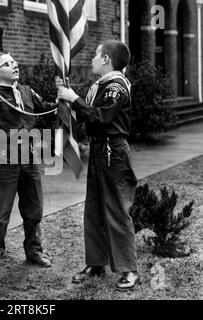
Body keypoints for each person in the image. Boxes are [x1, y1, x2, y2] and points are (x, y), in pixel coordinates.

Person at [57, 40, 140, 290]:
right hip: (99, 149)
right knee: (93, 208)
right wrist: (72, 100)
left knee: (116, 209)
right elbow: (91, 118)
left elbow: (101, 117)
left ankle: (128, 269)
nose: (92, 59)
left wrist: (74, 99)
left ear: (106, 59)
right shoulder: (101, 85)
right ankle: (96, 262)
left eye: (95, 55)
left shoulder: (115, 86)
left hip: (112, 151)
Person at [0, 51, 56, 276]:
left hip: (28, 157)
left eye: (14, 62)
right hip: (3, 157)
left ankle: (34, 250)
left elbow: (47, 109)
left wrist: (63, 100)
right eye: (8, 64)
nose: (14, 65)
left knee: (34, 209)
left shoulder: (25, 90)